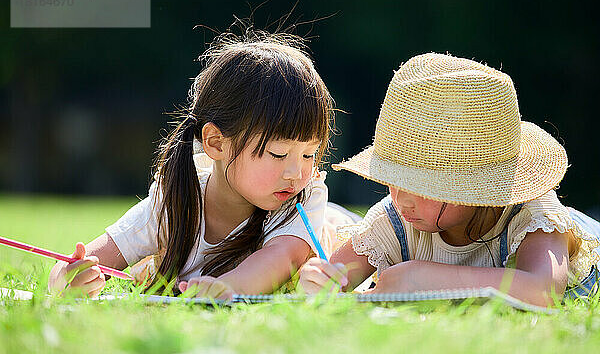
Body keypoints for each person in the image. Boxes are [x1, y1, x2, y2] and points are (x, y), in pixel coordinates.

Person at [48, 31, 359, 299]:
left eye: (309, 155)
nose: (297, 173)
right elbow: (97, 254)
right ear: (216, 143)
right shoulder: (177, 198)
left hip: (343, 227)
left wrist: (226, 287)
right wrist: (66, 276)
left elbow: (280, 258)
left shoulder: (302, 198)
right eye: (278, 154)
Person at [299, 53, 600, 307]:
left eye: (422, 185)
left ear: (477, 186)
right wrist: (319, 281)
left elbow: (542, 291)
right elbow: (336, 276)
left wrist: (424, 279)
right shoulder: (394, 221)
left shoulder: (532, 216)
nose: (401, 199)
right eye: (394, 179)